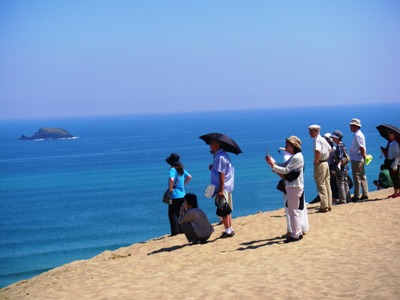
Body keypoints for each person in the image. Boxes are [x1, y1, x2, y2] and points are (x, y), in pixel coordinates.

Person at [266, 136, 305, 243]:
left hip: (294, 186)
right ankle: (298, 232)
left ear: (293, 146)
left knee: (293, 211)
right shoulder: (296, 156)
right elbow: (283, 165)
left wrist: (273, 166)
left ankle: (295, 234)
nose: (286, 147)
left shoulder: (297, 157)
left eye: (288, 145)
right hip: (294, 186)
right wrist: (272, 162)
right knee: (294, 210)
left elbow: (286, 170)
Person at [209, 139, 235, 238]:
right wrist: (212, 168)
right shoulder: (221, 156)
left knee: (223, 208)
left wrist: (220, 189)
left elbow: (222, 174)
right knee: (227, 208)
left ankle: (228, 231)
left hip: (222, 187)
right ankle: (230, 229)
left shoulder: (220, 157)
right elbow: (221, 171)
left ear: (217, 144)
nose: (210, 146)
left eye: (212, 143)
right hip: (226, 187)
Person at [166, 153, 192, 236]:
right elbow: (189, 177)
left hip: (174, 195)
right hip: (182, 194)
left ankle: (175, 232)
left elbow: (171, 179)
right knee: (180, 213)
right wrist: (183, 185)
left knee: (172, 214)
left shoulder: (173, 169)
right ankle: (181, 229)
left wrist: (170, 189)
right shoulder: (181, 169)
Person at [308, 125, 332, 212]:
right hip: (326, 162)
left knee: (320, 184)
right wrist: (326, 157)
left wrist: (317, 160)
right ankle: (329, 204)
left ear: (316, 131)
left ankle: (324, 206)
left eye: (311, 131)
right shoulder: (323, 139)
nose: (310, 133)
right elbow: (330, 149)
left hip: (321, 163)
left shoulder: (317, 140)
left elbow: (317, 151)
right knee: (327, 183)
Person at [349, 118, 369, 201]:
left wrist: (364, 156)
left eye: (351, 126)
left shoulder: (357, 135)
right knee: (362, 176)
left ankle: (357, 195)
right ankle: (365, 193)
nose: (350, 127)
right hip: (358, 158)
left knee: (357, 177)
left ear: (355, 126)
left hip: (357, 159)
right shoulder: (358, 134)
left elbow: (361, 147)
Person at [330, 130, 351, 204]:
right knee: (345, 183)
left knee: (340, 184)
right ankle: (348, 198)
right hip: (345, 167)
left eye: (333, 138)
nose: (333, 139)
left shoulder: (338, 147)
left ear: (337, 138)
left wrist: (337, 166)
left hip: (340, 168)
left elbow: (339, 157)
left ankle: (342, 200)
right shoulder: (343, 145)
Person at [386, 131, 400, 198]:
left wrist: (395, 165)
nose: (389, 135)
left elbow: (397, 155)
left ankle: (397, 192)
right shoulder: (390, 143)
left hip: (395, 162)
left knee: (396, 177)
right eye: (389, 133)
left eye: (391, 133)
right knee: (393, 177)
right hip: (391, 162)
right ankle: (396, 191)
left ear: (394, 135)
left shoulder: (396, 143)